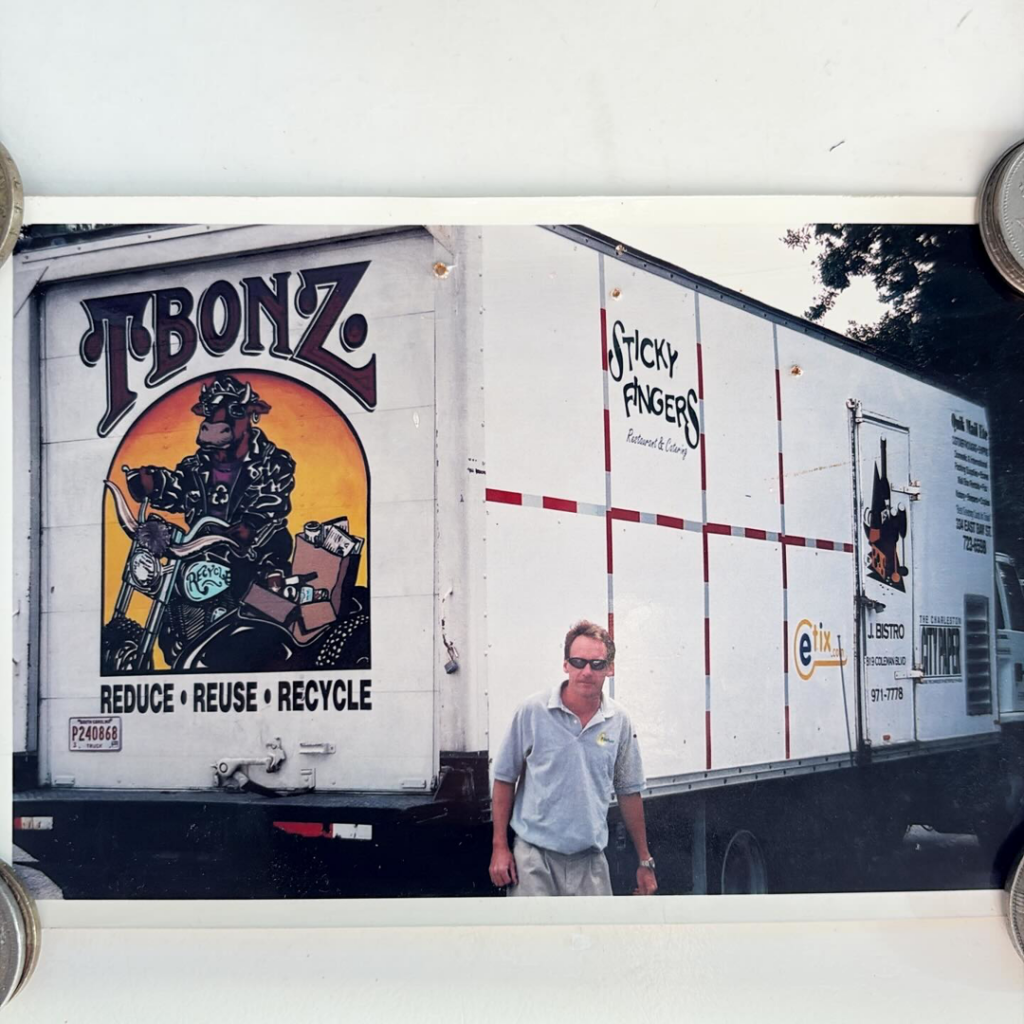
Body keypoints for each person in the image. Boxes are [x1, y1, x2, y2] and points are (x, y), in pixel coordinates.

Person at [489, 620, 657, 897]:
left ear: (610, 669)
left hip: (590, 862)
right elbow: (505, 778)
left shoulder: (619, 721)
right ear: (565, 665)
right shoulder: (533, 711)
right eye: (578, 662)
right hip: (533, 862)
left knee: (594, 940)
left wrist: (644, 860)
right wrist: (499, 848)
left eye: (597, 664)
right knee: (535, 941)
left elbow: (629, 792)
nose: (586, 672)